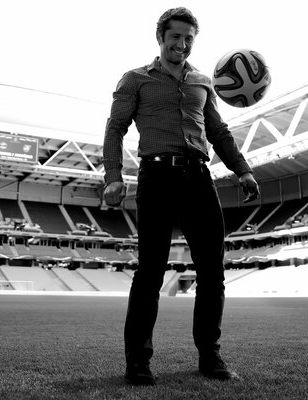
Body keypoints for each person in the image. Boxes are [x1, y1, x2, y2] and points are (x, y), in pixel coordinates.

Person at [102, 7, 259, 386]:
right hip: (155, 177)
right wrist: (113, 176)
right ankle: (138, 363)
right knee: (150, 274)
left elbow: (219, 133)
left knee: (213, 273)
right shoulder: (135, 79)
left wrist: (243, 170)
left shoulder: (204, 82)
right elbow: (115, 128)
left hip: (198, 179)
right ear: (161, 37)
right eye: (176, 37)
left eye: (189, 38)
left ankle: (210, 356)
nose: (182, 44)